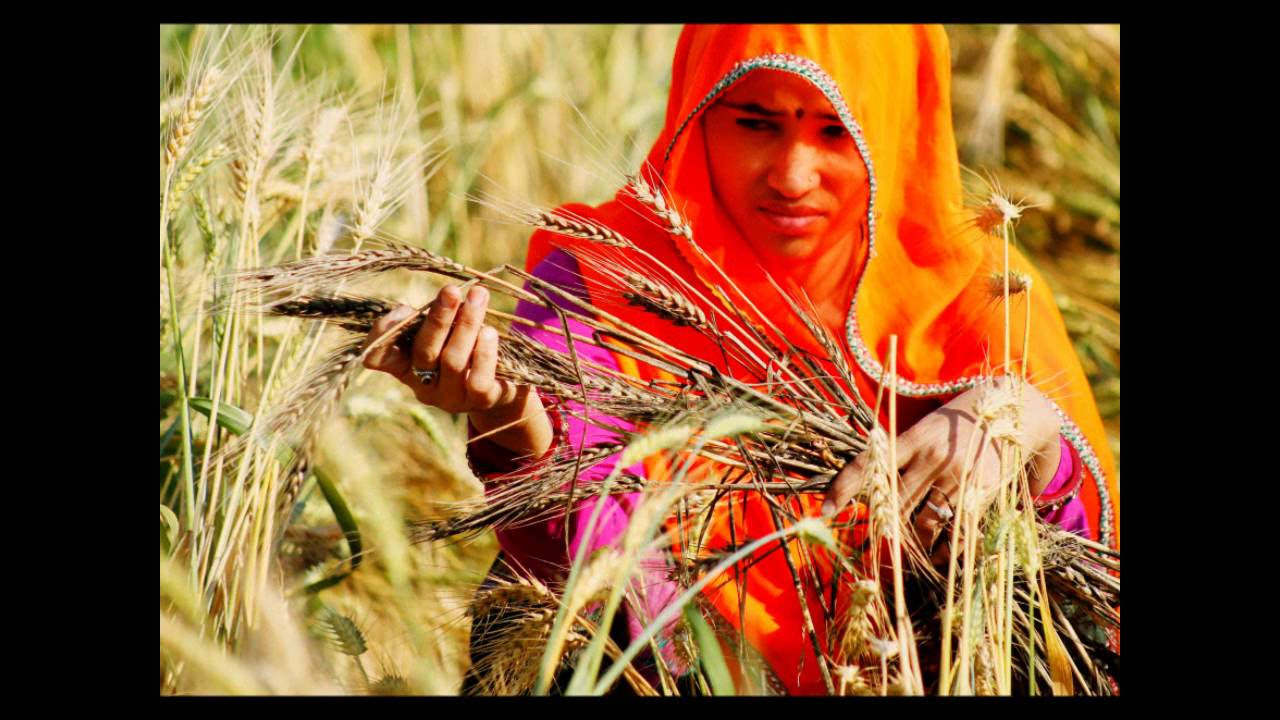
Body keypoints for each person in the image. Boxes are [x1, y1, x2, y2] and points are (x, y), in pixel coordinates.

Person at [362, 24, 1118, 694]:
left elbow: (1088, 601)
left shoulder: (985, 294)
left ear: (897, 123)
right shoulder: (603, 275)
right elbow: (589, 580)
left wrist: (1021, 428)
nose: (792, 176)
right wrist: (511, 421)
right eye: (756, 122)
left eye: (834, 132)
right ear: (697, 109)